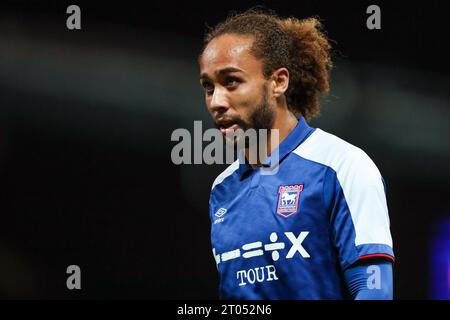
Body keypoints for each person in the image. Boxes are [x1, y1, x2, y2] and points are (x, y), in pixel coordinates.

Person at [198, 9, 394, 300]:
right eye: (208, 87)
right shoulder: (222, 190)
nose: (216, 102)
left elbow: (374, 288)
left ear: (278, 82)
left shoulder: (342, 166)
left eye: (231, 82)